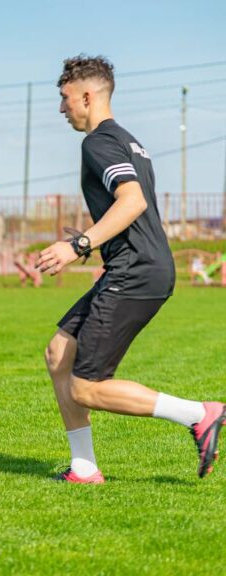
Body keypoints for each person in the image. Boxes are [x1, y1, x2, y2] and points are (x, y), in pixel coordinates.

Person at [37, 55, 224, 483]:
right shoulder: (129, 141)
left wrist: (78, 244)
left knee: (87, 386)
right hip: (140, 264)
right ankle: (84, 468)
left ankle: (201, 414)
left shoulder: (98, 143)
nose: (62, 109)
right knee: (58, 354)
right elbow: (133, 213)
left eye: (65, 99)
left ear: (87, 96)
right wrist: (94, 239)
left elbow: (133, 201)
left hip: (135, 272)